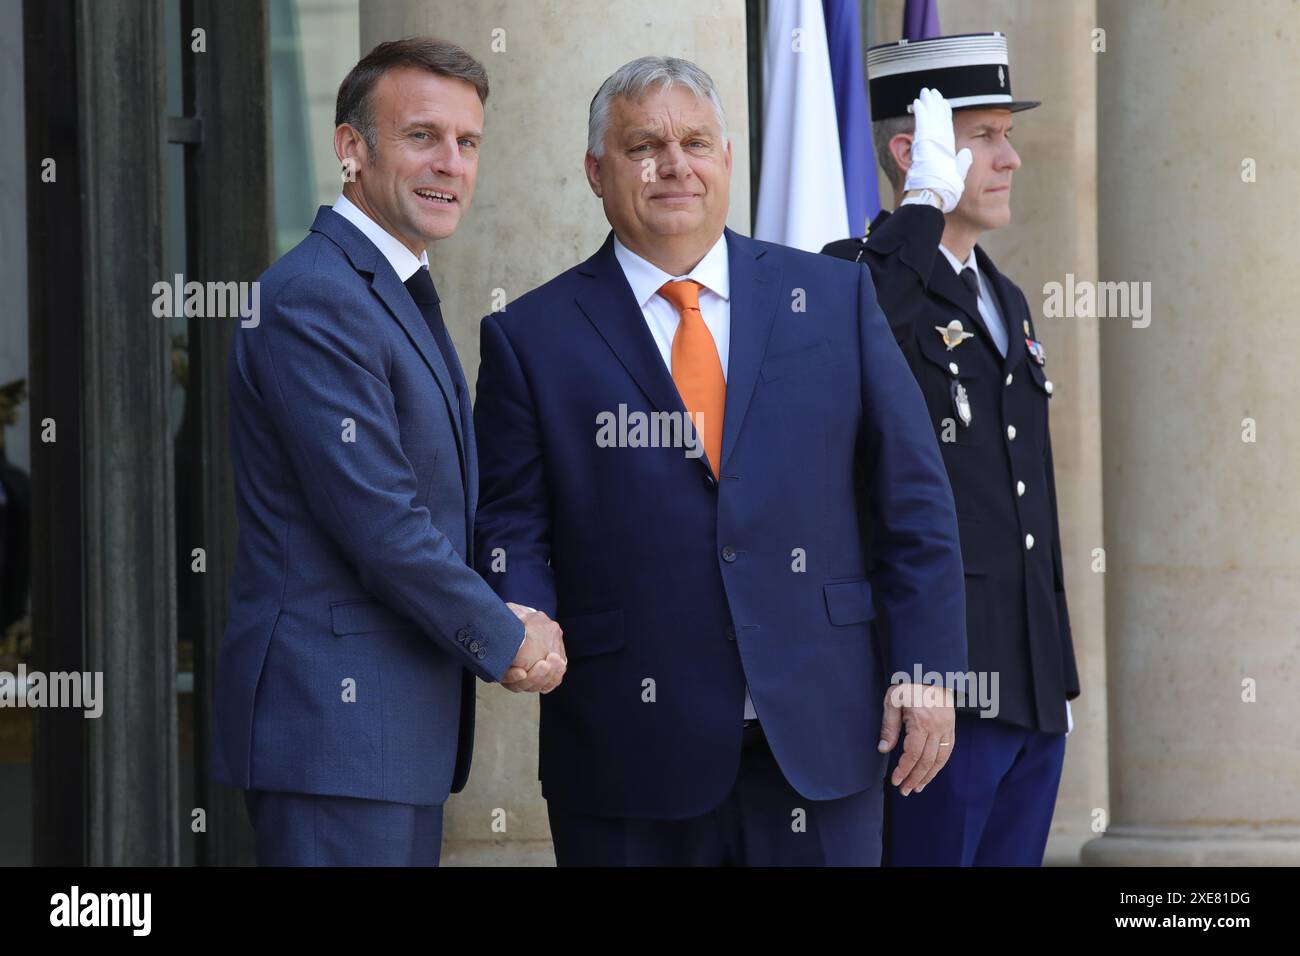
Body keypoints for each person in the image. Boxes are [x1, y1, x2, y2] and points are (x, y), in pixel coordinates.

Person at [473, 55, 966, 866]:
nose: (675, 165)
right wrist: (520, 609)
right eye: (644, 146)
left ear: (728, 160)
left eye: (696, 142)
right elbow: (512, 520)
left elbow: (912, 501)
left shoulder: (835, 300)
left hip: (823, 737)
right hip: (627, 754)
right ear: (597, 172)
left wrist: (926, 667)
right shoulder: (530, 337)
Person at [211, 36, 566, 867]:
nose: (449, 162)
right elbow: (382, 523)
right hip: (333, 735)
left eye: (467, 141)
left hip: (382, 735)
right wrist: (504, 633)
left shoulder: (386, 285)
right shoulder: (315, 299)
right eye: (421, 136)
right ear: (350, 149)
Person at [823, 32, 1080, 866]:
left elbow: (1021, 498)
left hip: (1028, 683)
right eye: (984, 137)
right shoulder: (855, 276)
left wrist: (1054, 675)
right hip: (938, 688)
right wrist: (919, 209)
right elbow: (846, 360)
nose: (1008, 158)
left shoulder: (1002, 296)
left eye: (1009, 135)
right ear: (913, 150)